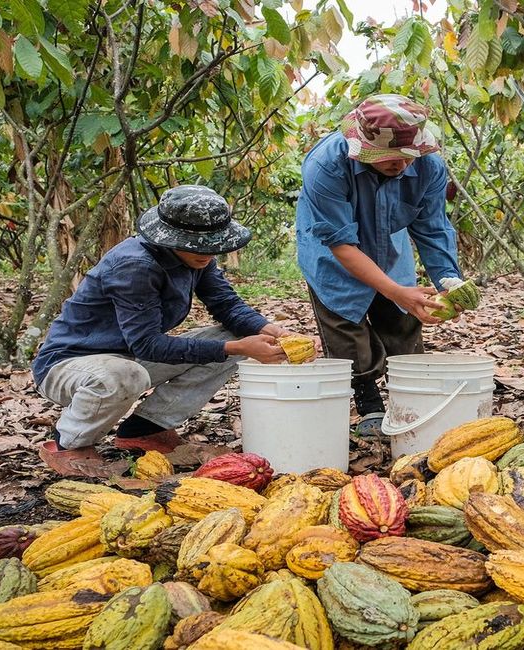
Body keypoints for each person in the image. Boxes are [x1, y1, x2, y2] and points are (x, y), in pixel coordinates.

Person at [31, 185, 317, 477]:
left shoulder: (196, 257)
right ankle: (70, 444)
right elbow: (147, 345)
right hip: (69, 365)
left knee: (232, 338)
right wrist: (239, 348)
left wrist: (274, 331)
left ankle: (146, 429)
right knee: (127, 375)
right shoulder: (135, 265)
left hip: (127, 356)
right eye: (196, 245)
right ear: (169, 237)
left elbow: (226, 305)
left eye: (212, 245)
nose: (206, 253)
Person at [295, 94, 464, 436]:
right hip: (332, 250)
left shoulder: (430, 167)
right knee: (345, 326)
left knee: (402, 323)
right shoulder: (326, 165)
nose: (400, 166)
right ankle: (367, 397)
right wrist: (396, 291)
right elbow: (341, 243)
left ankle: (410, 398)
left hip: (389, 241)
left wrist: (450, 282)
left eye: (407, 158)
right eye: (388, 158)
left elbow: (432, 228)